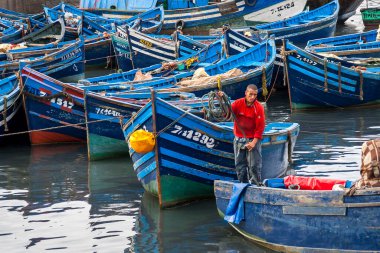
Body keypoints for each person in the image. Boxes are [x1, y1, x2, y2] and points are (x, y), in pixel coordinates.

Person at [220, 84, 265, 184]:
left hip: (252, 139)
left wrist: (253, 143)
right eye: (250, 94)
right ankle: (243, 185)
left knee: (254, 166)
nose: (252, 97)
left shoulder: (258, 108)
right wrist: (223, 101)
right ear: (246, 93)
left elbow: (260, 127)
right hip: (239, 139)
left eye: (255, 95)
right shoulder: (237, 103)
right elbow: (227, 114)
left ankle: (256, 185)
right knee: (240, 166)